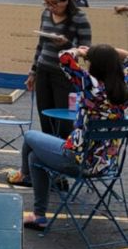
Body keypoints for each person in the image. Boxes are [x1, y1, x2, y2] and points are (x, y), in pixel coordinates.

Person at [22, 45, 128, 230]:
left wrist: (80, 51)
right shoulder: (123, 87)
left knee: (30, 135)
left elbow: (64, 57)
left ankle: (24, 176)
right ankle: (38, 216)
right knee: (34, 158)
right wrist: (106, 52)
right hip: (105, 165)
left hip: (77, 160)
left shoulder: (91, 86)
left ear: (96, 66)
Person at [28, 0, 92, 135]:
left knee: (64, 120)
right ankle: (47, 146)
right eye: (47, 3)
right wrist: (33, 72)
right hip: (43, 69)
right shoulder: (46, 14)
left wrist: (67, 45)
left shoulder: (79, 18)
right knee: (45, 116)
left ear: (66, 0)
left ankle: (62, 148)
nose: (51, 7)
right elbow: (40, 45)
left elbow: (86, 50)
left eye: (55, 3)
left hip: (65, 73)